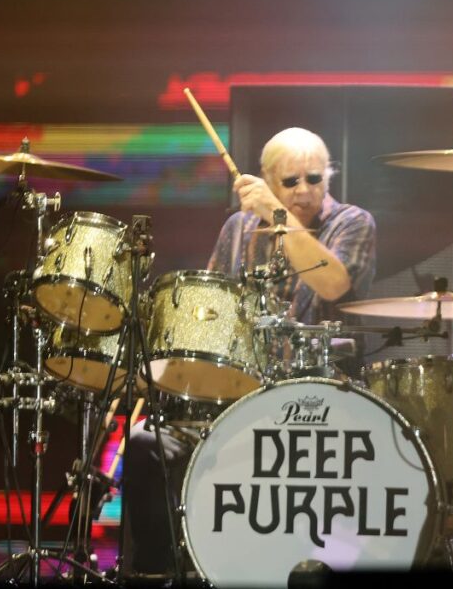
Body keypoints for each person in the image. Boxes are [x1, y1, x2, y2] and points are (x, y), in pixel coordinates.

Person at [123, 127, 376, 576]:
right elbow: (209, 315)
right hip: (237, 399)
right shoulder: (237, 229)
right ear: (265, 179)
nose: (303, 191)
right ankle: (160, 573)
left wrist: (278, 214)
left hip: (317, 407)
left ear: (328, 179)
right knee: (143, 445)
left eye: (314, 179)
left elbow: (332, 281)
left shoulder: (352, 223)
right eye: (290, 182)